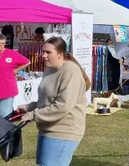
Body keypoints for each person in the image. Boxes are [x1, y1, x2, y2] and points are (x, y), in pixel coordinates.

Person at [17, 37, 91, 166]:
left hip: (64, 131)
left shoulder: (70, 71)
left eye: (48, 52)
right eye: (43, 52)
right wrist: (28, 107)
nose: (43, 56)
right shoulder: (49, 70)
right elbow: (46, 100)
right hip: (47, 129)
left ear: (60, 54)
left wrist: (33, 115)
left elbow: (62, 106)